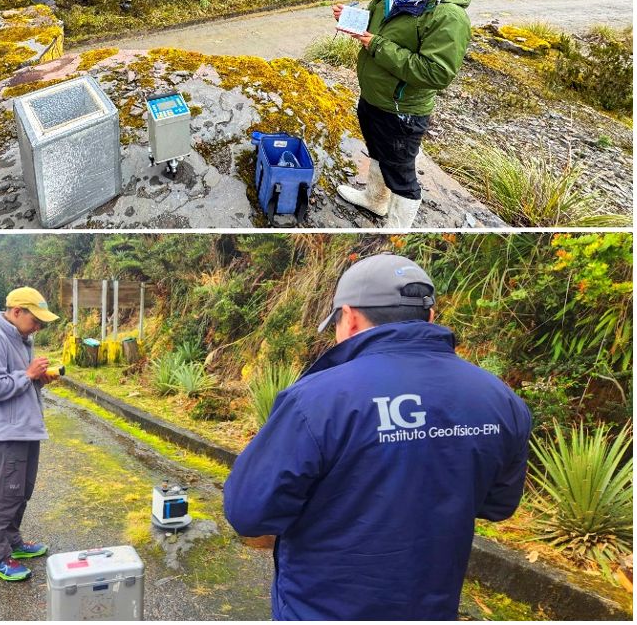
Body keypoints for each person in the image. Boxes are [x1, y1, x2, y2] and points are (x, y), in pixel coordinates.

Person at [223, 253, 531, 621]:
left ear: (349, 318)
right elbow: (498, 505)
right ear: (430, 317)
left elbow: (248, 511)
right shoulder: (499, 399)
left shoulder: (316, 400)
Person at [333, 0, 472, 229]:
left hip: (402, 111)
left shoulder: (448, 17)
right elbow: (376, 23)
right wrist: (352, 17)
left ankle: (396, 234)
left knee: (401, 175)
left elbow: (436, 73)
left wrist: (378, 46)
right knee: (378, 152)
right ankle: (375, 200)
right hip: (374, 98)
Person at [0, 286, 61, 582]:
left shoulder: (22, 339)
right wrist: (28, 375)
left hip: (24, 429)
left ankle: (13, 543)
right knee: (4, 496)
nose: (38, 326)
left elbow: (19, 382)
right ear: (17, 312)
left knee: (21, 492)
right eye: (35, 319)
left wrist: (38, 380)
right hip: (4, 434)